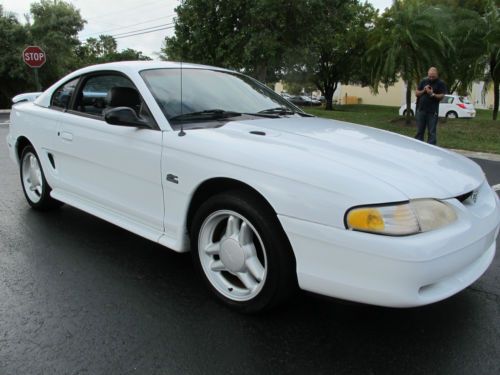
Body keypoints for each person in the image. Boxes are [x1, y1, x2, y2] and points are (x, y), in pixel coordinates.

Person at [415, 67, 447, 145]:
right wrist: (424, 90)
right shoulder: (423, 81)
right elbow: (416, 93)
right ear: (428, 74)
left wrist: (432, 94)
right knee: (419, 131)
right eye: (430, 76)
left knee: (431, 132)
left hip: (432, 112)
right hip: (421, 110)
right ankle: (418, 147)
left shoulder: (440, 83)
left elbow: (442, 96)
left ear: (437, 75)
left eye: (433, 76)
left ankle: (431, 148)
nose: (431, 78)